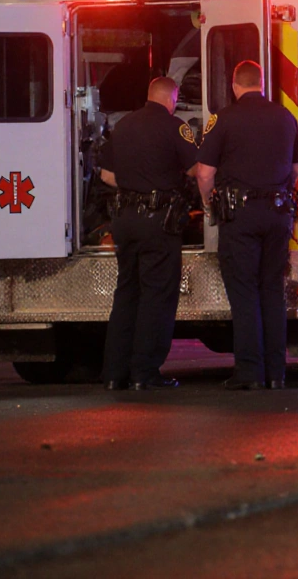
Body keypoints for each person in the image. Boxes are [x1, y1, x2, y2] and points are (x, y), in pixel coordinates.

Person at [197, 61, 298, 390]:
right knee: (271, 291)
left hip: (240, 217)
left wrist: (207, 203)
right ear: (262, 83)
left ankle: (249, 371)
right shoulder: (286, 117)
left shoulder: (223, 119)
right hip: (277, 215)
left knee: (244, 294)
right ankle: (276, 372)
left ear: (234, 85)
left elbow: (204, 172)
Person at [98, 78, 199, 390]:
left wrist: (136, 186)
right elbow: (197, 169)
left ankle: (114, 373)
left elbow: (106, 175)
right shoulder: (175, 127)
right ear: (173, 97)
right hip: (159, 221)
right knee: (157, 295)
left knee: (127, 293)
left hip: (125, 220)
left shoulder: (123, 125)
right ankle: (145, 372)